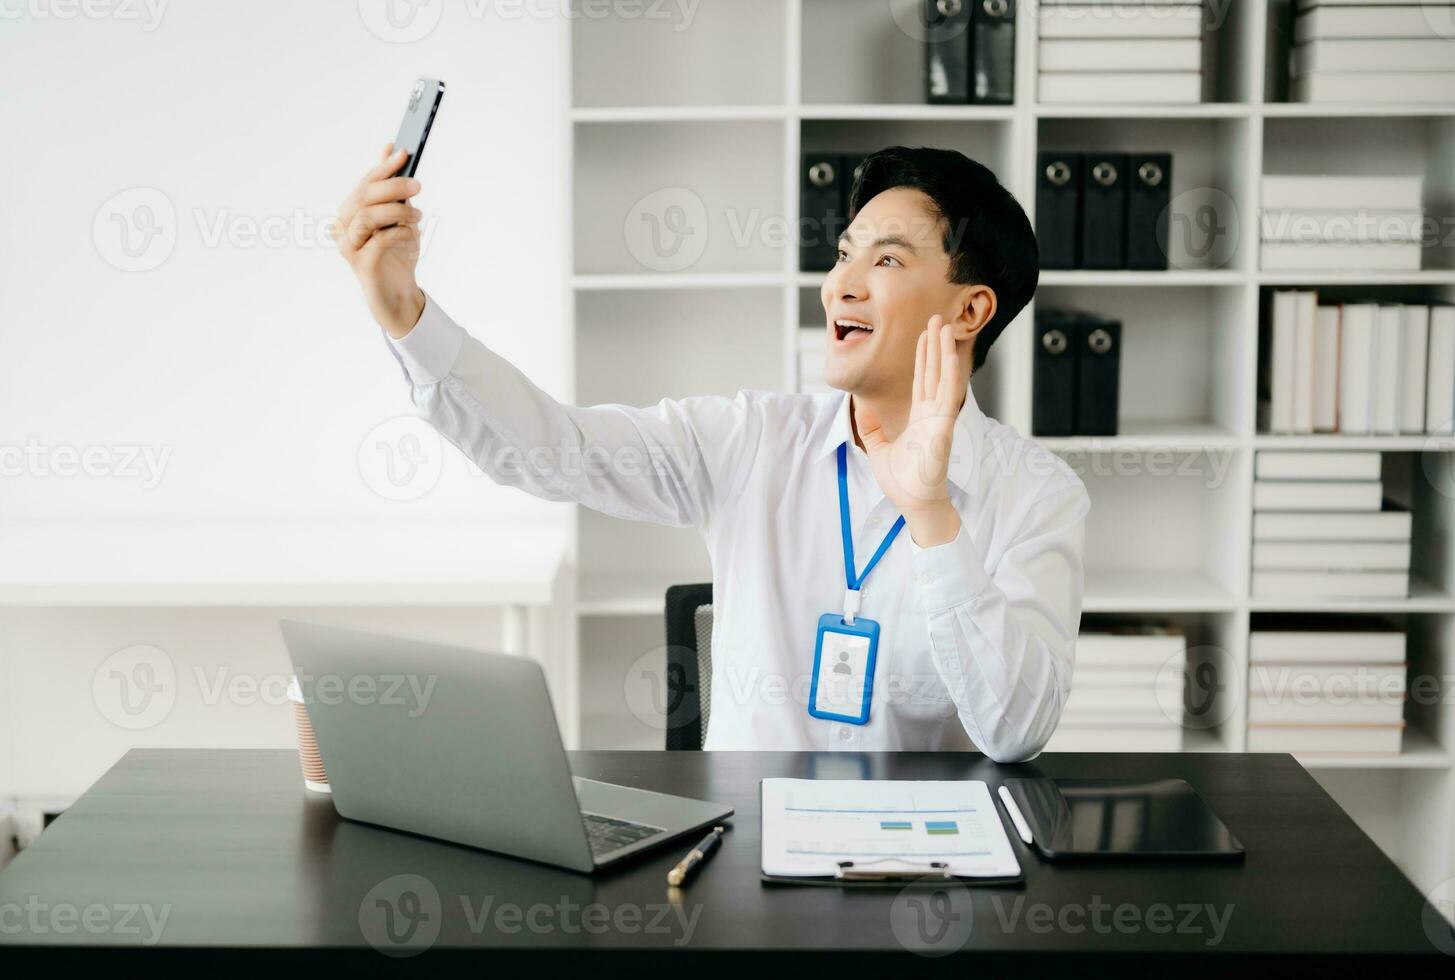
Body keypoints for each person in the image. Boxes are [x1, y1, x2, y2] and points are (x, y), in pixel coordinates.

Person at [333, 144, 1088, 762]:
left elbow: (1015, 730)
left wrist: (931, 517)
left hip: (927, 878)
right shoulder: (752, 439)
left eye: (885, 262)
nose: (840, 286)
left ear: (969, 309)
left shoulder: (1036, 495)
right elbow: (551, 450)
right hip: (746, 861)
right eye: (842, 255)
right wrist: (405, 314)